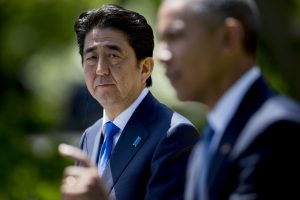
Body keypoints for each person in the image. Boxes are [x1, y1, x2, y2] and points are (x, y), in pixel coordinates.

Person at [157, 0, 300, 199]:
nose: (161, 55)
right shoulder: (209, 141)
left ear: (228, 37)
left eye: (174, 36)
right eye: (161, 40)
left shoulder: (277, 131)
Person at [60, 4, 200, 200]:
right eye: (91, 57)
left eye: (113, 55)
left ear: (145, 68)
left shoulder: (175, 135)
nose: (101, 69)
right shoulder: (89, 137)